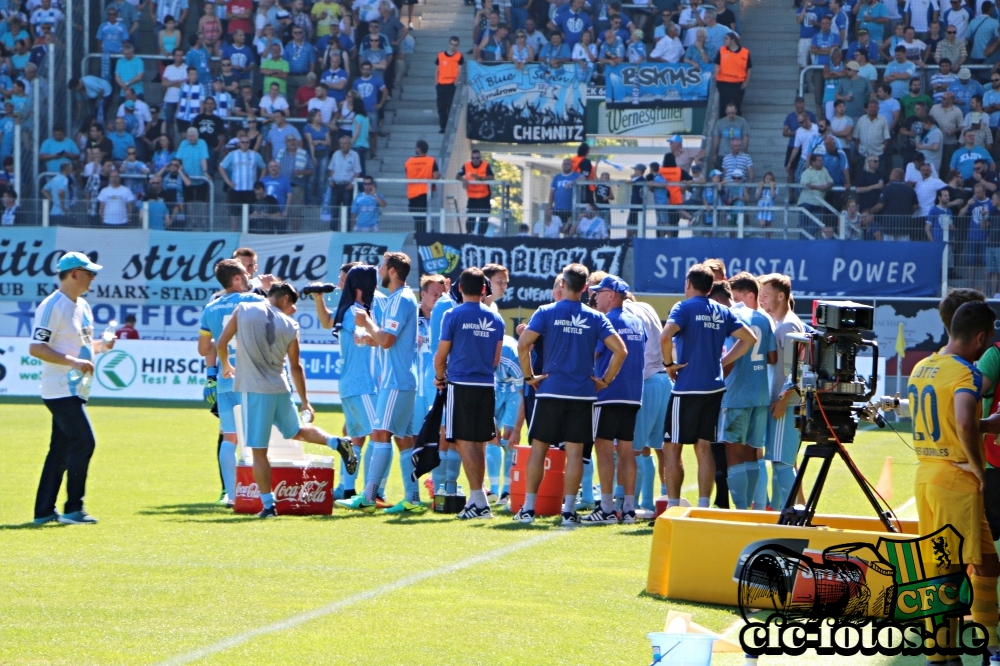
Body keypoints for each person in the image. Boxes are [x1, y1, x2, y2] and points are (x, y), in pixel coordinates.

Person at [217, 281, 357, 519]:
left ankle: (268, 506)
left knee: (259, 452)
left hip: (255, 390)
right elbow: (296, 367)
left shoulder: (244, 309)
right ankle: (336, 442)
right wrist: (305, 401)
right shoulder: (291, 325)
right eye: (292, 303)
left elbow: (221, 343)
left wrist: (226, 364)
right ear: (283, 299)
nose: (292, 308)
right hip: (280, 388)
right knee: (296, 431)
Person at [915, 301, 1000, 660]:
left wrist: (987, 425)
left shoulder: (923, 366)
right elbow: (964, 421)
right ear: (980, 337)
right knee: (948, 572)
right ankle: (941, 654)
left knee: (987, 563)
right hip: (956, 480)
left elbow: (955, 421)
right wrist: (980, 469)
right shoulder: (967, 373)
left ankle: (990, 641)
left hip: (928, 474)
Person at [513, 263, 626, 525]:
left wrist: (530, 377)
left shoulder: (546, 311)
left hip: (550, 391)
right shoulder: (595, 317)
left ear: (562, 284)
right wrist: (605, 381)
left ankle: (528, 509)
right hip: (582, 394)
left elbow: (523, 344)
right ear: (586, 287)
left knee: (538, 449)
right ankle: (568, 512)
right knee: (575, 454)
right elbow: (621, 351)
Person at [660, 264, 755, 509]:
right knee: (704, 447)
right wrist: (723, 362)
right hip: (714, 388)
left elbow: (665, 335)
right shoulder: (721, 310)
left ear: (688, 284)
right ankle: (703, 506)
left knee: (672, 447)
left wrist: (669, 365)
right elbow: (750, 339)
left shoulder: (683, 307)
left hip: (687, 387)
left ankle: (672, 506)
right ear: (711, 287)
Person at [30, 252, 112, 525]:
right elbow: (36, 347)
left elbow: (84, 349)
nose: (93, 277)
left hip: (76, 388)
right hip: (59, 389)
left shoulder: (83, 306)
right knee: (84, 442)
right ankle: (74, 508)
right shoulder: (52, 305)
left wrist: (103, 346)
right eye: (89, 272)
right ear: (74, 273)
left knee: (60, 450)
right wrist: (72, 361)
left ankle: (43, 511)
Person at [338, 252, 424, 514]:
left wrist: (367, 323)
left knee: (380, 434)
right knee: (406, 440)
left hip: (395, 381)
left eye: (383, 266)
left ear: (394, 271)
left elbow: (387, 339)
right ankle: (413, 498)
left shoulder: (400, 299)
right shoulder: (402, 299)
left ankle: (368, 496)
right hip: (402, 379)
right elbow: (388, 339)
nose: (378, 271)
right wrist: (367, 338)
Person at [433, 267, 505, 519]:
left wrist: (440, 379)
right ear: (484, 289)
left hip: (460, 384)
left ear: (460, 288)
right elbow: (496, 359)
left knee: (464, 442)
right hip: (486, 385)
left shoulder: (452, 315)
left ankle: (479, 500)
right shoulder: (497, 319)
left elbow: (440, 356)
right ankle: (478, 499)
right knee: (479, 443)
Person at [198, 259, 267, 507]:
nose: (249, 278)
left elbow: (203, 348)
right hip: (250, 378)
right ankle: (262, 493)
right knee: (258, 437)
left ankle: (231, 495)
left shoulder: (211, 308)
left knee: (230, 437)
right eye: (245, 274)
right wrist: (266, 289)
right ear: (236, 279)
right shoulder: (253, 300)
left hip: (225, 379)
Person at [581, 275, 646, 524]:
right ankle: (628, 508)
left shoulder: (606, 321)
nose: (595, 296)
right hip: (632, 394)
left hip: (607, 393)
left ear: (611, 294)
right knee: (627, 450)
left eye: (599, 292)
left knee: (604, 450)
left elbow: (595, 351)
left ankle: (606, 507)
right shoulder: (636, 321)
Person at [316, 264, 379, 500]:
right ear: (363, 287)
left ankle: (347, 487)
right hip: (363, 384)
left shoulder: (347, 311)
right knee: (379, 435)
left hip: (349, 385)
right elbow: (378, 338)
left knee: (355, 439)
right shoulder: (357, 314)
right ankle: (372, 492)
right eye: (373, 283)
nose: (376, 288)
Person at [721, 272, 777, 510]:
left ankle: (741, 509)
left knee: (733, 453)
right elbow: (773, 357)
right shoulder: (764, 319)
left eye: (735, 296)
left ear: (747, 294)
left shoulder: (732, 316)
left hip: (736, 394)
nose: (733, 301)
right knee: (754, 452)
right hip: (760, 395)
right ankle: (754, 506)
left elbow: (728, 358)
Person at [757, 273, 806, 510]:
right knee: (781, 463)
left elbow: (796, 370)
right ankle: (784, 514)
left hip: (785, 406)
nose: (761, 300)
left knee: (782, 464)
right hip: (784, 404)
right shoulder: (783, 323)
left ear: (781, 296)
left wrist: (782, 400)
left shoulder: (787, 325)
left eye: (765, 295)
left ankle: (795, 517)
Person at [405, 140, 441, 233]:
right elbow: (436, 175)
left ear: (419, 149)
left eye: (416, 147)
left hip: (412, 193)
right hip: (425, 192)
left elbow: (407, 172)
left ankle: (420, 233)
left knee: (417, 216)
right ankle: (422, 233)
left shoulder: (409, 161)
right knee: (422, 216)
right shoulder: (431, 160)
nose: (415, 149)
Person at [327, 135, 362, 231]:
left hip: (347, 186)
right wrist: (330, 180)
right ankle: (332, 231)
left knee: (347, 210)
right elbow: (331, 169)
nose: (342, 145)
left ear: (350, 145)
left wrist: (351, 184)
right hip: (335, 185)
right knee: (334, 209)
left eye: (345, 143)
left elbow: (357, 172)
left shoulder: (354, 155)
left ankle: (346, 230)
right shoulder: (335, 154)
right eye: (341, 143)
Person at [713, 32, 751, 117]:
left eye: (726, 39)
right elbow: (717, 64)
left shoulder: (745, 52)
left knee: (736, 105)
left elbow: (749, 68)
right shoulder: (722, 50)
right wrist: (716, 73)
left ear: (733, 40)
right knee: (724, 105)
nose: (724, 41)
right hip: (724, 82)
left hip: (738, 83)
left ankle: (736, 125)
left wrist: (746, 82)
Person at [457, 149, 494, 234]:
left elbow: (491, 177)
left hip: (484, 197)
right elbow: (457, 175)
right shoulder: (466, 166)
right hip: (472, 198)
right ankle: (469, 234)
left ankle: (481, 236)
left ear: (480, 158)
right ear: (471, 158)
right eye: (473, 158)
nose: (475, 160)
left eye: (477, 158)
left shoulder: (485, 165)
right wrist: (463, 179)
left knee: (484, 219)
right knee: (470, 218)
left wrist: (481, 178)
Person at [435, 37, 464, 133]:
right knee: (441, 107)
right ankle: (443, 126)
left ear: (458, 45)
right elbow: (437, 70)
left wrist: (455, 83)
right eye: (452, 44)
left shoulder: (459, 56)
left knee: (450, 106)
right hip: (441, 84)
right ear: (449, 43)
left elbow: (459, 71)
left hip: (451, 85)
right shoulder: (440, 56)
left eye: (455, 45)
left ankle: (450, 126)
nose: (453, 47)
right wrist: (436, 82)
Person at [550, 157, 583, 232]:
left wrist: (571, 183)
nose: (566, 165)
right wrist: (550, 205)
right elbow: (552, 192)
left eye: (568, 163)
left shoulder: (576, 175)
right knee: (556, 230)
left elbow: (583, 178)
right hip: (557, 209)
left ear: (571, 165)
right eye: (564, 163)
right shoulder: (557, 177)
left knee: (568, 231)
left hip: (570, 209)